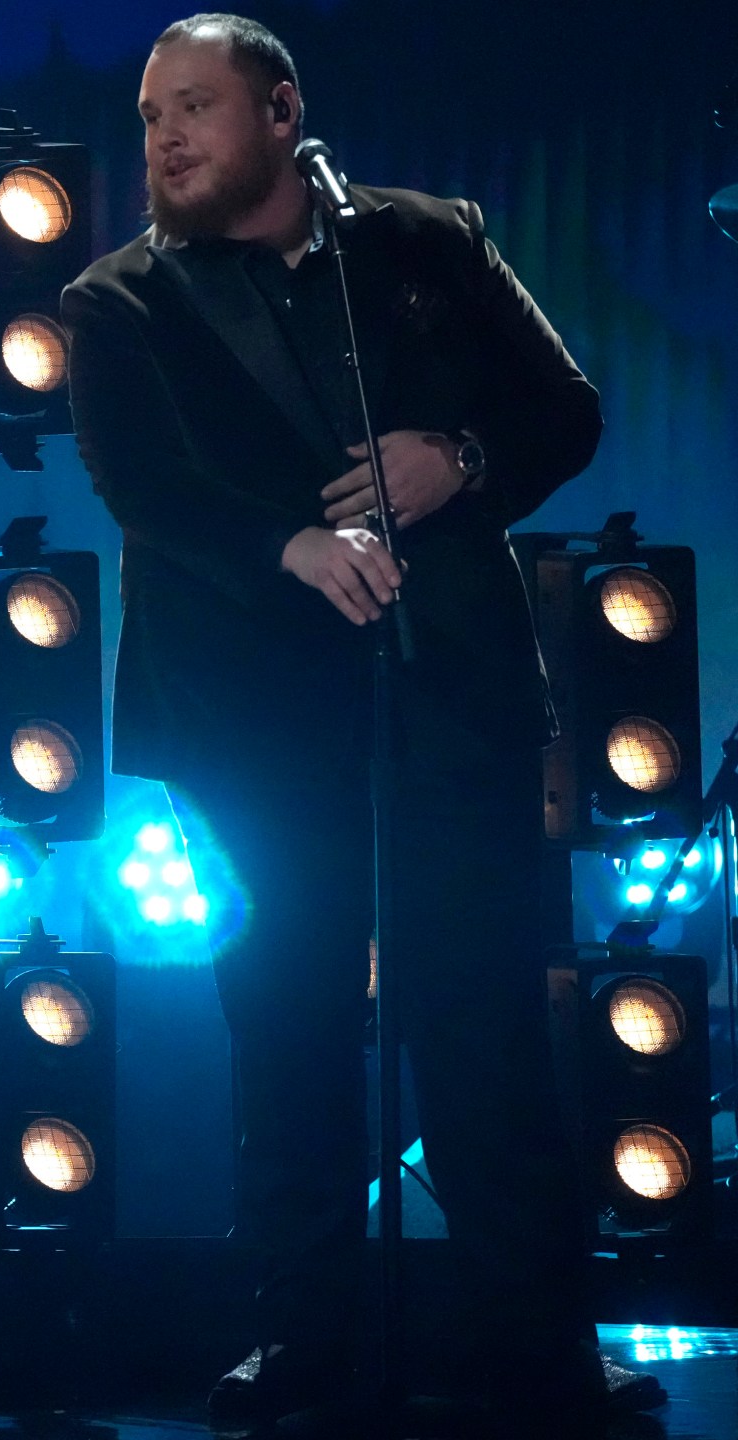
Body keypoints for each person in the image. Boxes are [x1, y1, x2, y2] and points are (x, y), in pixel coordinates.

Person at [63, 16, 659, 1437]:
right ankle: (303, 1348)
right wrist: (287, 545)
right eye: (150, 115)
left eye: (194, 107)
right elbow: (141, 482)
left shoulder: (426, 243)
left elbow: (564, 410)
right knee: (287, 1027)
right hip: (253, 722)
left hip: (445, 699)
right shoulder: (117, 301)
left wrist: (458, 458)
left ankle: (539, 1355)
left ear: (281, 112)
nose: (164, 138)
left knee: (486, 1029)